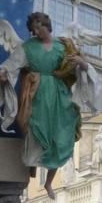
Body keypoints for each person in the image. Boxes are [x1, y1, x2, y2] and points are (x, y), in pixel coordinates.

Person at [17, 12, 89, 192]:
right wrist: (3, 73)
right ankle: (27, 176)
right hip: (38, 94)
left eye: (39, 26)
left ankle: (49, 181)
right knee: (36, 130)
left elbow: (86, 67)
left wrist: (81, 61)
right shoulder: (28, 47)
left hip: (60, 95)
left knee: (62, 135)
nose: (36, 31)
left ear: (46, 25)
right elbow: (12, 64)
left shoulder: (63, 45)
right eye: (33, 29)